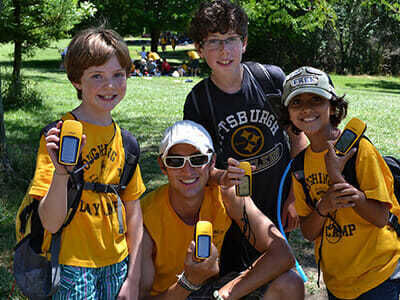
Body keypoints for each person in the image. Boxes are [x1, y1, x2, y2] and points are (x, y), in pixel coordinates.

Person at [183, 0, 308, 275]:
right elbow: (200, 167)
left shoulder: (270, 79)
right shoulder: (198, 101)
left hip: (276, 196)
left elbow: (298, 137)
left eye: (231, 39)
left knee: (285, 273)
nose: (224, 50)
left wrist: (295, 194)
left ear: (245, 43)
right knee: (238, 275)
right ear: (199, 48)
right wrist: (221, 178)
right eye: (213, 41)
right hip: (234, 210)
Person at [29, 27, 146, 299]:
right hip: (71, 264)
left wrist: (134, 277)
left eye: (118, 74)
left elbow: (134, 216)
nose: (110, 85)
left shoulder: (126, 143)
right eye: (97, 76)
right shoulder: (57, 137)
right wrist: (61, 173)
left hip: (117, 265)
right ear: (76, 81)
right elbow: (50, 222)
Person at [139, 120, 304, 300]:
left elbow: (282, 253)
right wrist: (189, 282)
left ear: (212, 162)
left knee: (290, 283)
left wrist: (225, 294)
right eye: (175, 161)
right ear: (163, 166)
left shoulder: (225, 195)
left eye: (198, 159)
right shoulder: (146, 217)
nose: (187, 171)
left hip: (214, 292)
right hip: (172, 295)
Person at [280, 66, 400, 299]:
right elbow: (307, 231)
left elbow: (381, 217)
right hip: (338, 281)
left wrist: (337, 180)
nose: (306, 108)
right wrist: (323, 207)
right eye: (296, 102)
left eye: (316, 99)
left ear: (332, 106)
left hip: (378, 275)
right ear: (288, 113)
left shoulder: (359, 150)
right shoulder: (300, 167)